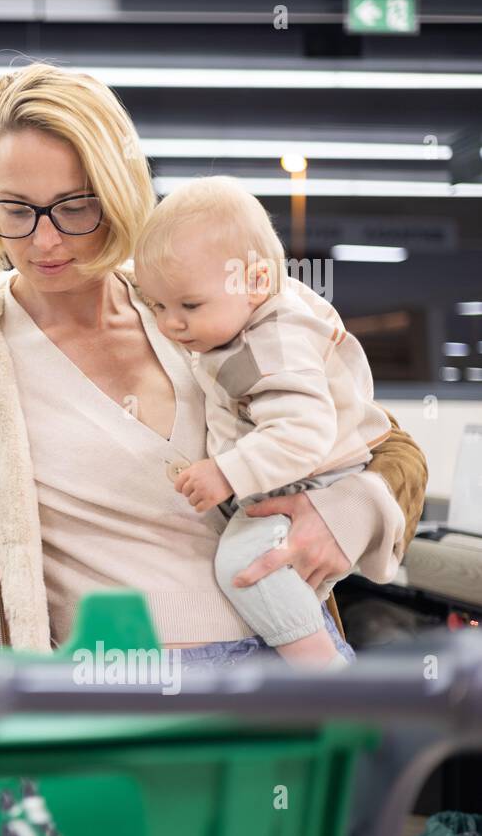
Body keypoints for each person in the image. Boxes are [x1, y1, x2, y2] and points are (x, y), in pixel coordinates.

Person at [0, 64, 427, 665]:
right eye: (16, 210)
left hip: (287, 669)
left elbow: (386, 447)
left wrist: (345, 514)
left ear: (118, 192)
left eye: (75, 206)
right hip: (110, 704)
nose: (45, 242)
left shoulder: (202, 302)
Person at [136, 176, 395, 670]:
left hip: (313, 476)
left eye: (189, 305)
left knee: (244, 565)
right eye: (158, 306)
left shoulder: (273, 341)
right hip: (296, 476)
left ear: (255, 282)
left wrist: (227, 472)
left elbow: (302, 432)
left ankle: (323, 673)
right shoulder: (241, 319)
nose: (171, 324)